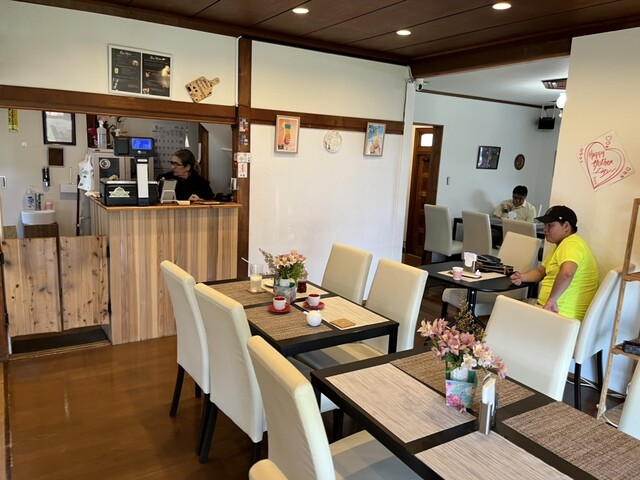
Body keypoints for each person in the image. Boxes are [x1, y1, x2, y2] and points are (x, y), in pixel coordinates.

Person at [510, 205, 598, 320]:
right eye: (545, 225)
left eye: (550, 225)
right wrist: (522, 277)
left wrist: (551, 300)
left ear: (566, 226)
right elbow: (540, 272)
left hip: (560, 314)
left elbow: (567, 273)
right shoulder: (561, 246)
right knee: (508, 308)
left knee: (505, 311)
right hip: (549, 310)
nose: (545, 229)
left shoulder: (571, 244)